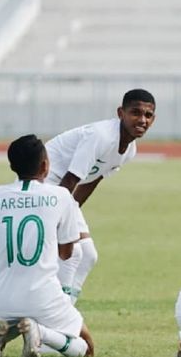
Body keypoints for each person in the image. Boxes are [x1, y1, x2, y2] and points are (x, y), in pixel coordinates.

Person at [0, 134, 95, 357]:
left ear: (11, 165)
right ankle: (41, 333)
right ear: (45, 165)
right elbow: (67, 253)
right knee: (86, 346)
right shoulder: (61, 195)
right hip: (44, 295)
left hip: (2, 295)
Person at [45, 89, 156, 303]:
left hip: (63, 194)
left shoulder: (130, 149)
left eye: (148, 115)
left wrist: (73, 213)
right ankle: (57, 312)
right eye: (135, 112)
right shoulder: (101, 136)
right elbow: (70, 180)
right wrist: (58, 221)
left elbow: (91, 181)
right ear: (120, 113)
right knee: (73, 252)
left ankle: (65, 309)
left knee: (88, 255)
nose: (142, 120)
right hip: (47, 184)